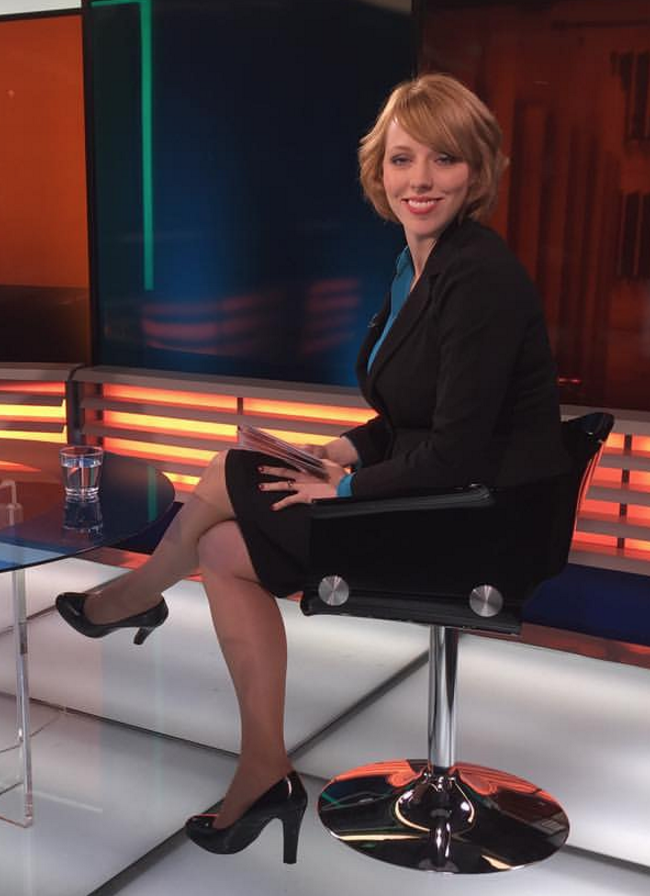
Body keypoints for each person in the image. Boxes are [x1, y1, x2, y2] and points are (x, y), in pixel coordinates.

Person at [56, 73, 568, 863]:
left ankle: (135, 594)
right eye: (402, 159)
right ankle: (264, 768)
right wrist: (340, 452)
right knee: (222, 548)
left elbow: (459, 449)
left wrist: (348, 487)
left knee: (231, 468)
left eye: (445, 159)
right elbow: (411, 416)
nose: (421, 179)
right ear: (379, 170)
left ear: (477, 172)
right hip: (439, 494)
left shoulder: (479, 276)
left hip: (477, 522)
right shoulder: (417, 264)